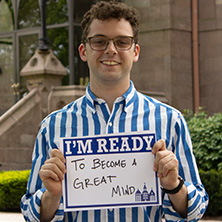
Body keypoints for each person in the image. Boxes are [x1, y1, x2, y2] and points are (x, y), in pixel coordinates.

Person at [21, 1, 209, 221]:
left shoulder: (170, 121)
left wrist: (174, 187)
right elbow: (31, 215)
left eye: (122, 42)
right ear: (83, 51)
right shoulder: (53, 127)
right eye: (99, 41)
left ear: (135, 51)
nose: (111, 50)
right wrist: (52, 196)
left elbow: (196, 211)